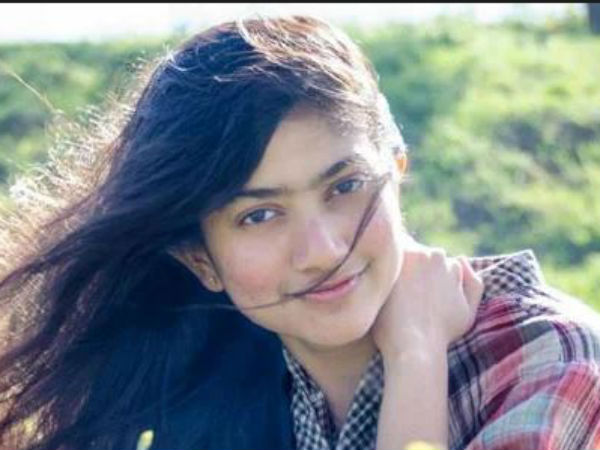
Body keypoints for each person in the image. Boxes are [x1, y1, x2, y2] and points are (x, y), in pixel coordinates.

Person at [0, 14, 599, 450]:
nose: (323, 251)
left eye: (344, 186)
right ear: (199, 259)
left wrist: (416, 356)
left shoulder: (549, 360)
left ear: (396, 169)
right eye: (259, 215)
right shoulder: (218, 376)